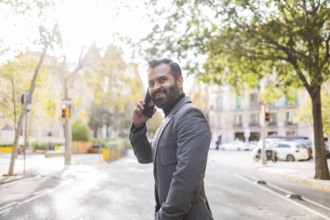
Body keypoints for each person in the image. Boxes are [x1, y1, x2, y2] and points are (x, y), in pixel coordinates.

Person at [130, 58, 214, 220]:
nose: (155, 88)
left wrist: (164, 216)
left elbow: (187, 179)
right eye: (151, 83)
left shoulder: (189, 115)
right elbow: (145, 156)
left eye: (162, 80)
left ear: (180, 81)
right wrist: (139, 126)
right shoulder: (168, 121)